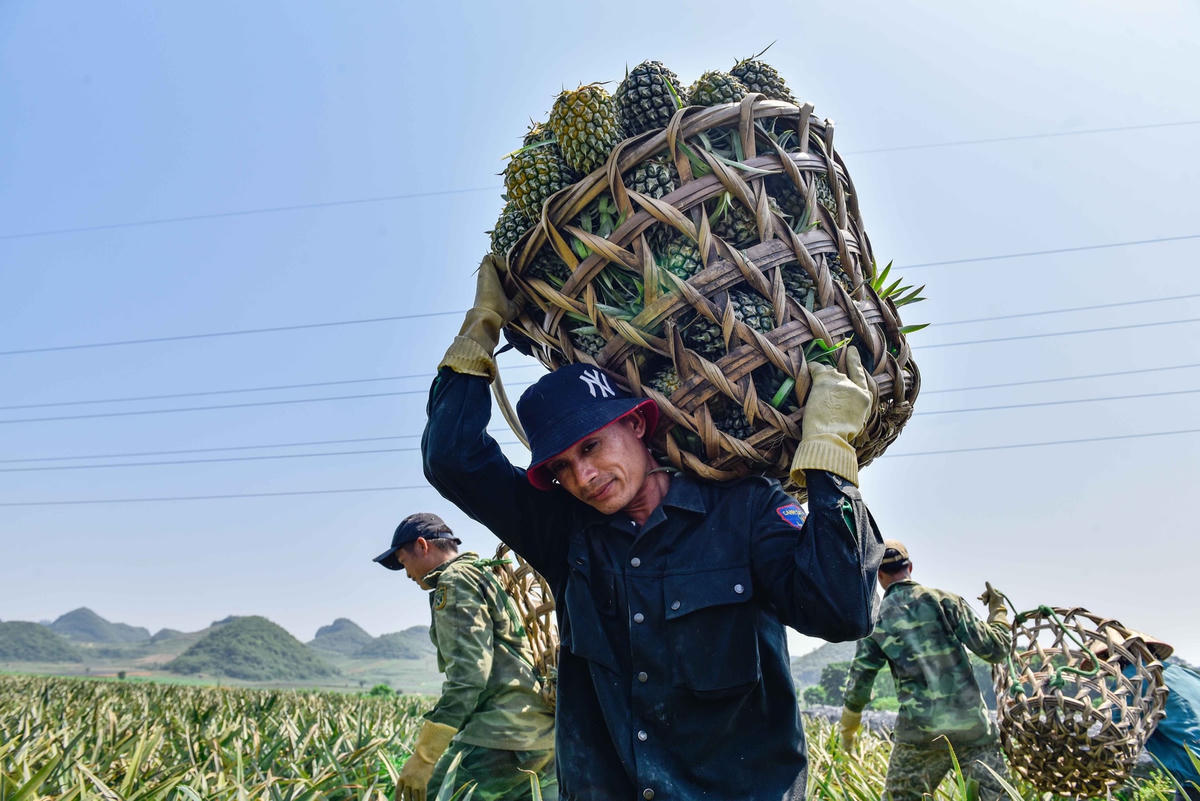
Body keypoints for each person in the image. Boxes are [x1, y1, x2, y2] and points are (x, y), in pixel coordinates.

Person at [421, 254, 886, 799]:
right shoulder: (566, 534)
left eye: (591, 446)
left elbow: (844, 610)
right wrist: (481, 326)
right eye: (561, 467)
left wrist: (829, 450)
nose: (584, 477)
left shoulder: (744, 511)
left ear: (637, 423)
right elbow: (452, 458)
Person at [373, 512, 557, 801]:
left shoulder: (455, 582)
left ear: (422, 545)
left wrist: (424, 756)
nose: (407, 574)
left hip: (500, 739)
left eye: (403, 561)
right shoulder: (487, 574)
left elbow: (468, 676)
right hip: (543, 739)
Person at [839, 540, 1011, 801]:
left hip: (919, 737)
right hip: (972, 732)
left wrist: (848, 730)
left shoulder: (877, 619)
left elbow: (860, 681)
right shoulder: (947, 601)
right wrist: (998, 610)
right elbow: (996, 649)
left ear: (878, 574)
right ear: (909, 567)